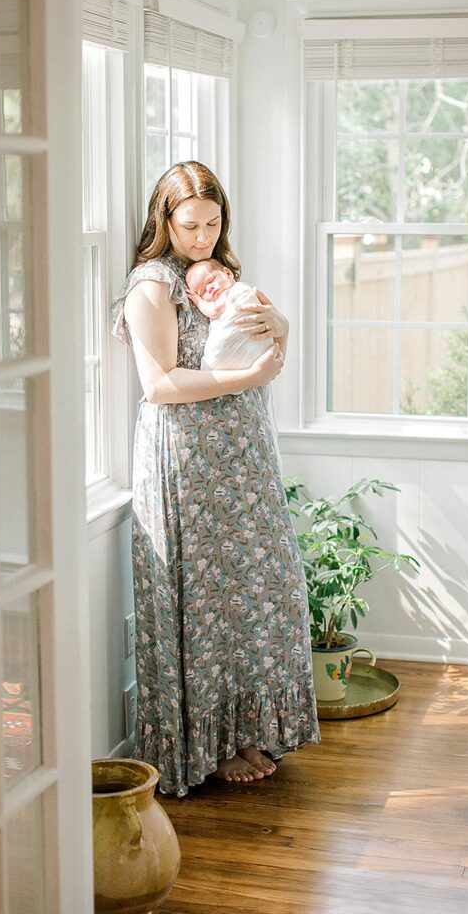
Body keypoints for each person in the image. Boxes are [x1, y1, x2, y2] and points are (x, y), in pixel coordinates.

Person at [111, 160, 320, 797]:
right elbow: (161, 384)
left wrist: (278, 328)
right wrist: (247, 380)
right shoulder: (153, 285)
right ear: (163, 221)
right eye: (189, 224)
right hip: (189, 457)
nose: (202, 236)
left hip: (243, 452)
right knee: (205, 597)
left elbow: (266, 331)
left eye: (213, 222)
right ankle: (210, 742)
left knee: (259, 588)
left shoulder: (219, 275)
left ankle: (247, 727)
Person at [185, 257, 282, 465]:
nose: (209, 290)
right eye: (202, 291)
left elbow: (212, 311)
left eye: (211, 281)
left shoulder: (238, 293)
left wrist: (198, 301)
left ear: (228, 274)